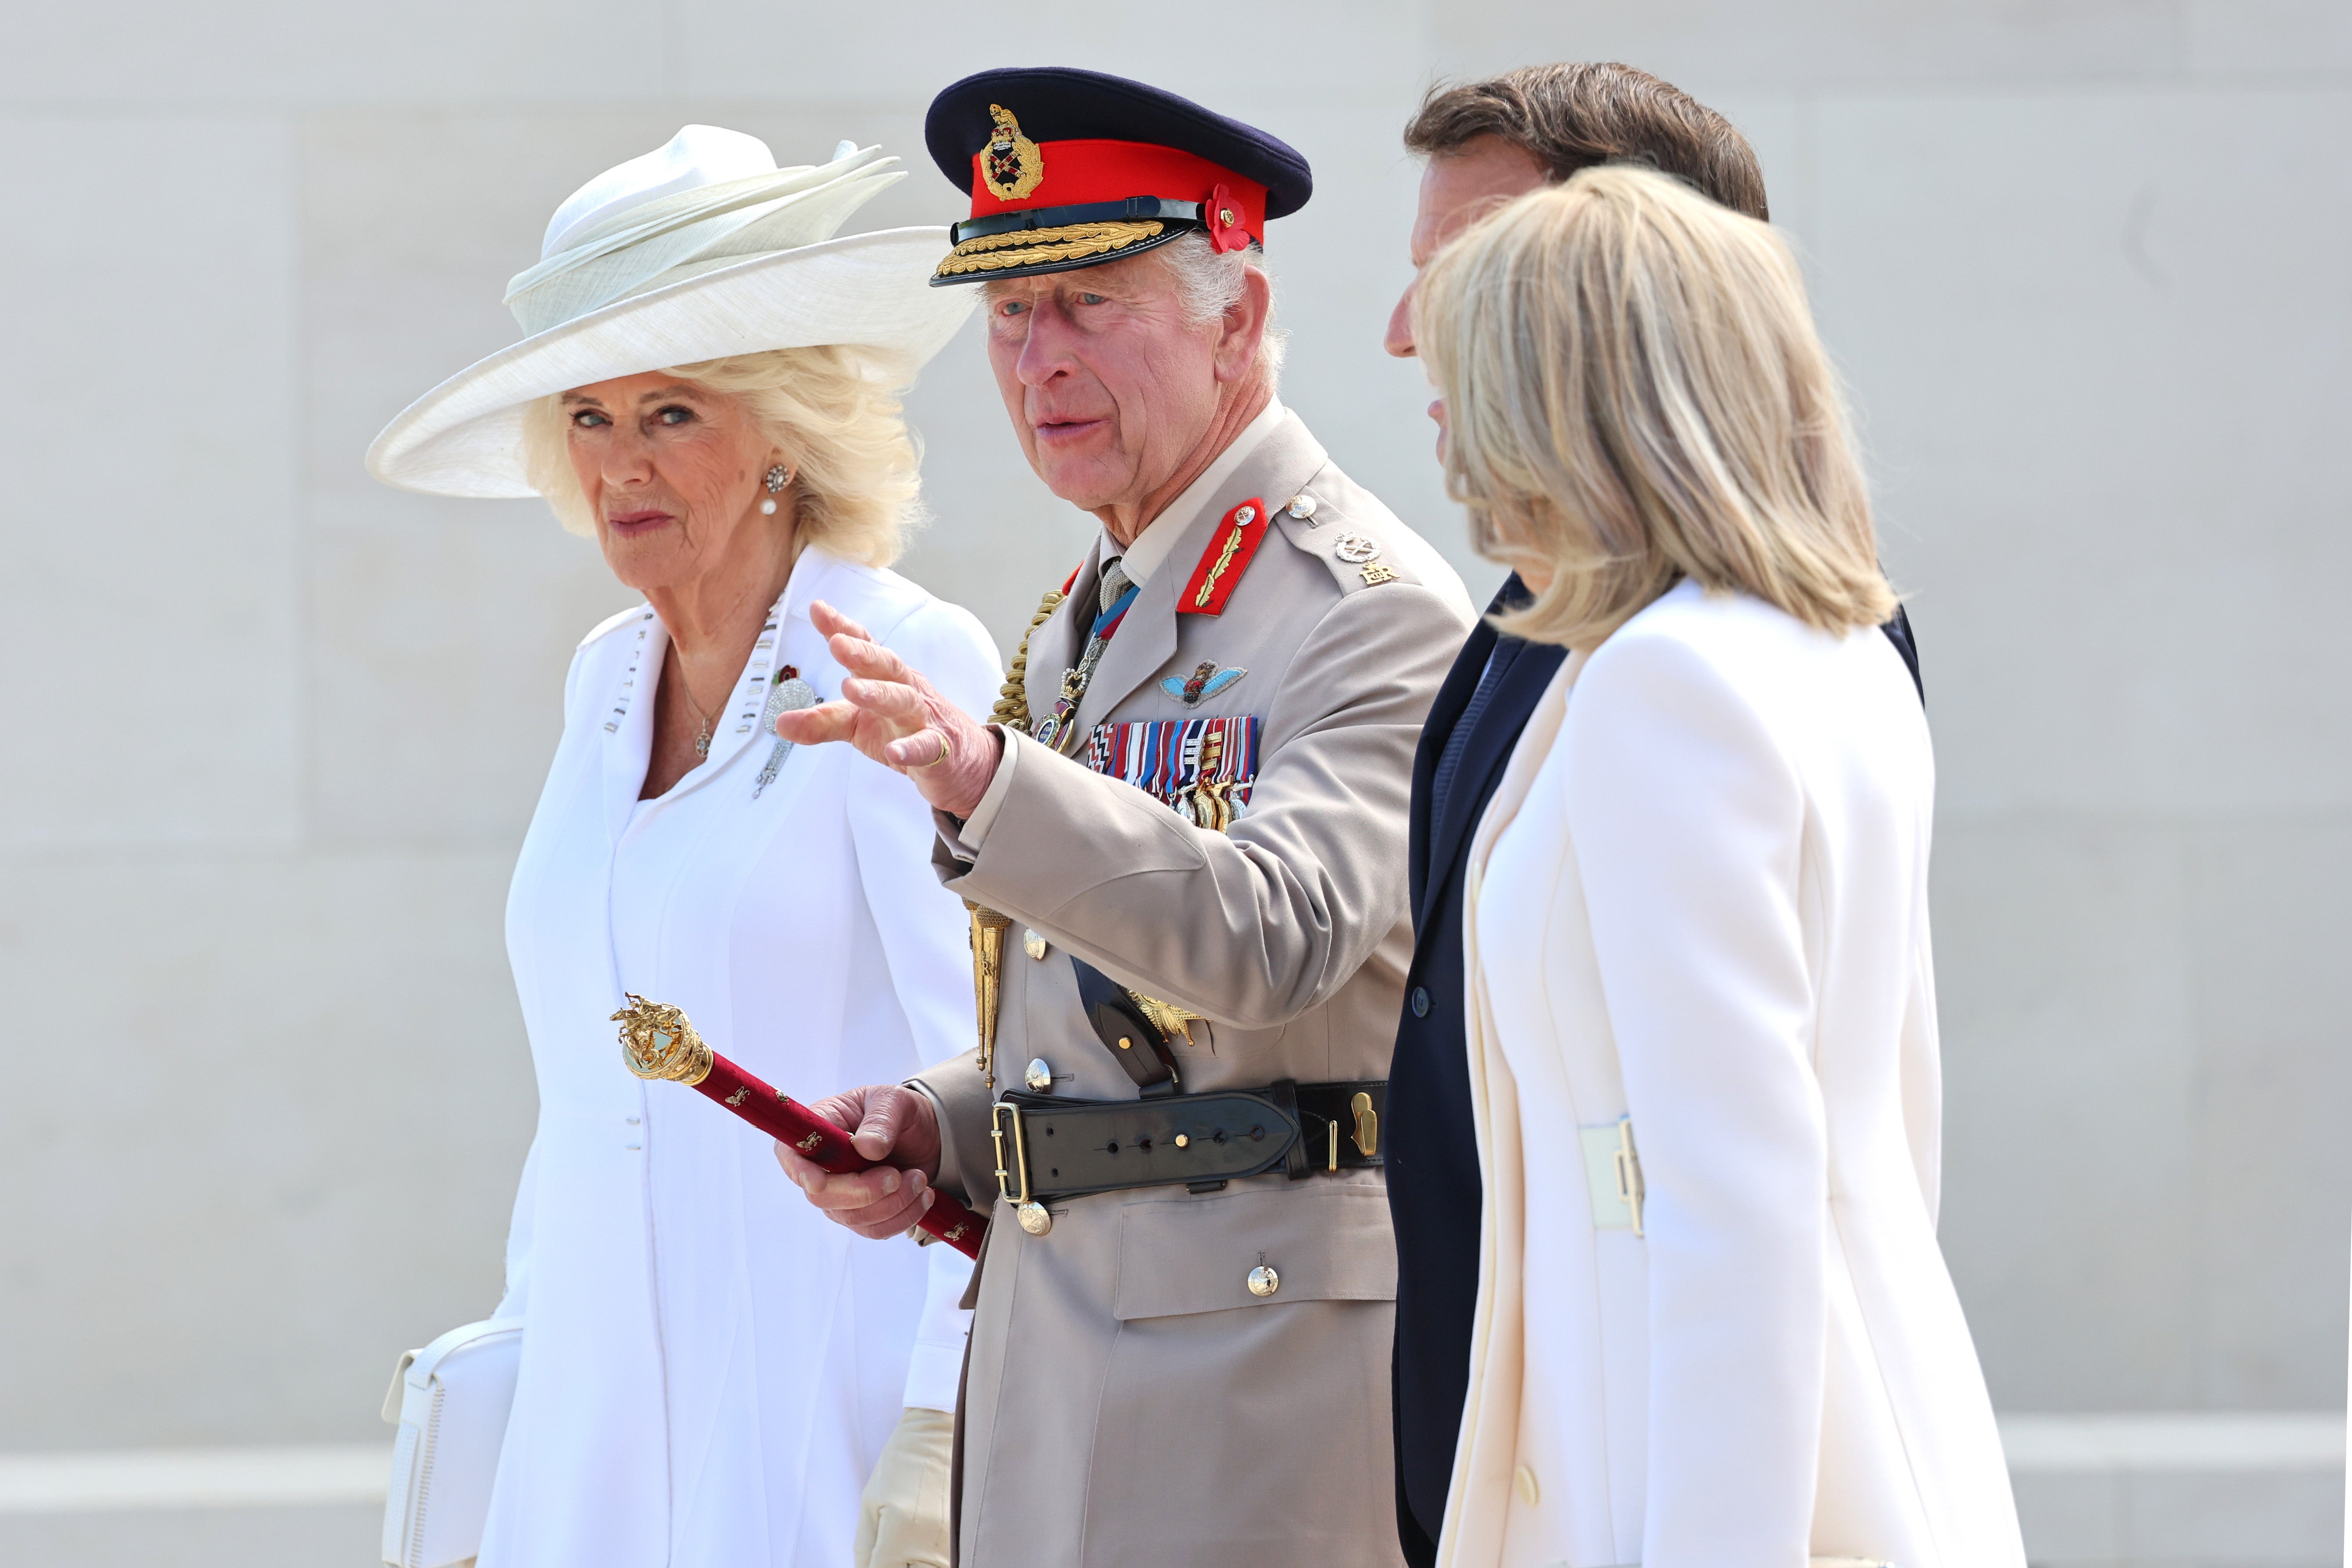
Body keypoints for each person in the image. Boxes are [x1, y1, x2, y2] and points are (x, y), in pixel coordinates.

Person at [770, 68, 1475, 1566]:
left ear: (1236, 312)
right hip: (1056, 1352)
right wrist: (942, 1123)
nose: (1039, 360)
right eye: (1010, 316)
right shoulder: (1096, 602)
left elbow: (1274, 939)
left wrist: (984, 777)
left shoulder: (1365, 607)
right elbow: (1116, 1019)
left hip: (1253, 1375)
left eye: (1090, 301)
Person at [364, 126, 1001, 1568]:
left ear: (783, 430)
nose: (620, 466)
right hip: (586, 1437)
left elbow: (990, 1063)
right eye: (588, 417)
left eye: (671, 413)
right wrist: (501, 1427)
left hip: (815, 1413)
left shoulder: (895, 650)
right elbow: (585, 1099)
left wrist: (936, 1437)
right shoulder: (600, 677)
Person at [1413, 164, 2024, 1565]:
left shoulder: (1666, 684)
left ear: (1561, 394)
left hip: (1681, 1444)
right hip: (1850, 1398)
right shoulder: (1829, 654)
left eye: (1472, 367)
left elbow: (1733, 1200)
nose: (1444, 417)